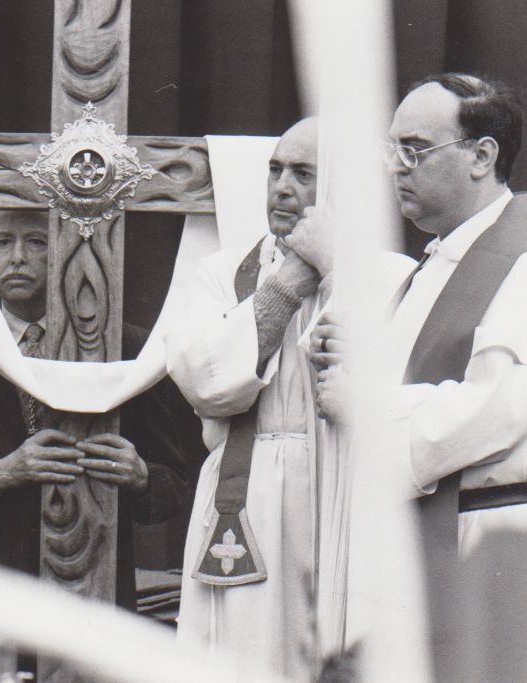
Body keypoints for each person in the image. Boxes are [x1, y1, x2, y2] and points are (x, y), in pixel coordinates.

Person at [0, 209, 189, 613]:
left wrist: (140, 476)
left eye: (36, 241)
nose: (17, 257)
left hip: (96, 595)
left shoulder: (129, 351)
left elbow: (174, 486)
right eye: (3, 242)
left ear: (66, 250)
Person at [372, 72, 527, 675]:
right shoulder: (430, 265)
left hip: (486, 539)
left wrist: (365, 416)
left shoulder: (519, 259)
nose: (396, 167)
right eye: (392, 150)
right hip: (425, 531)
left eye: (414, 149)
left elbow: (499, 408)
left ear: (481, 156)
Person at [166, 117, 332, 680]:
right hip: (247, 493)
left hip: (336, 490)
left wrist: (333, 269)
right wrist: (285, 288)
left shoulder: (388, 275)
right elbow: (203, 381)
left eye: (304, 174)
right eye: (276, 170)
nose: (282, 186)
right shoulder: (219, 273)